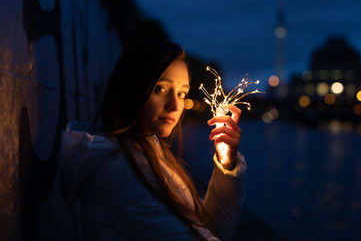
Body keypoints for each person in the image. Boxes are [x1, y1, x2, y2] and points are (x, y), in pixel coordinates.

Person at [59, 41, 246, 241]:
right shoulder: (123, 171)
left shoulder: (148, 154)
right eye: (161, 89)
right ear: (132, 88)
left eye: (182, 93)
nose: (175, 106)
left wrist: (226, 163)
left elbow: (209, 228)